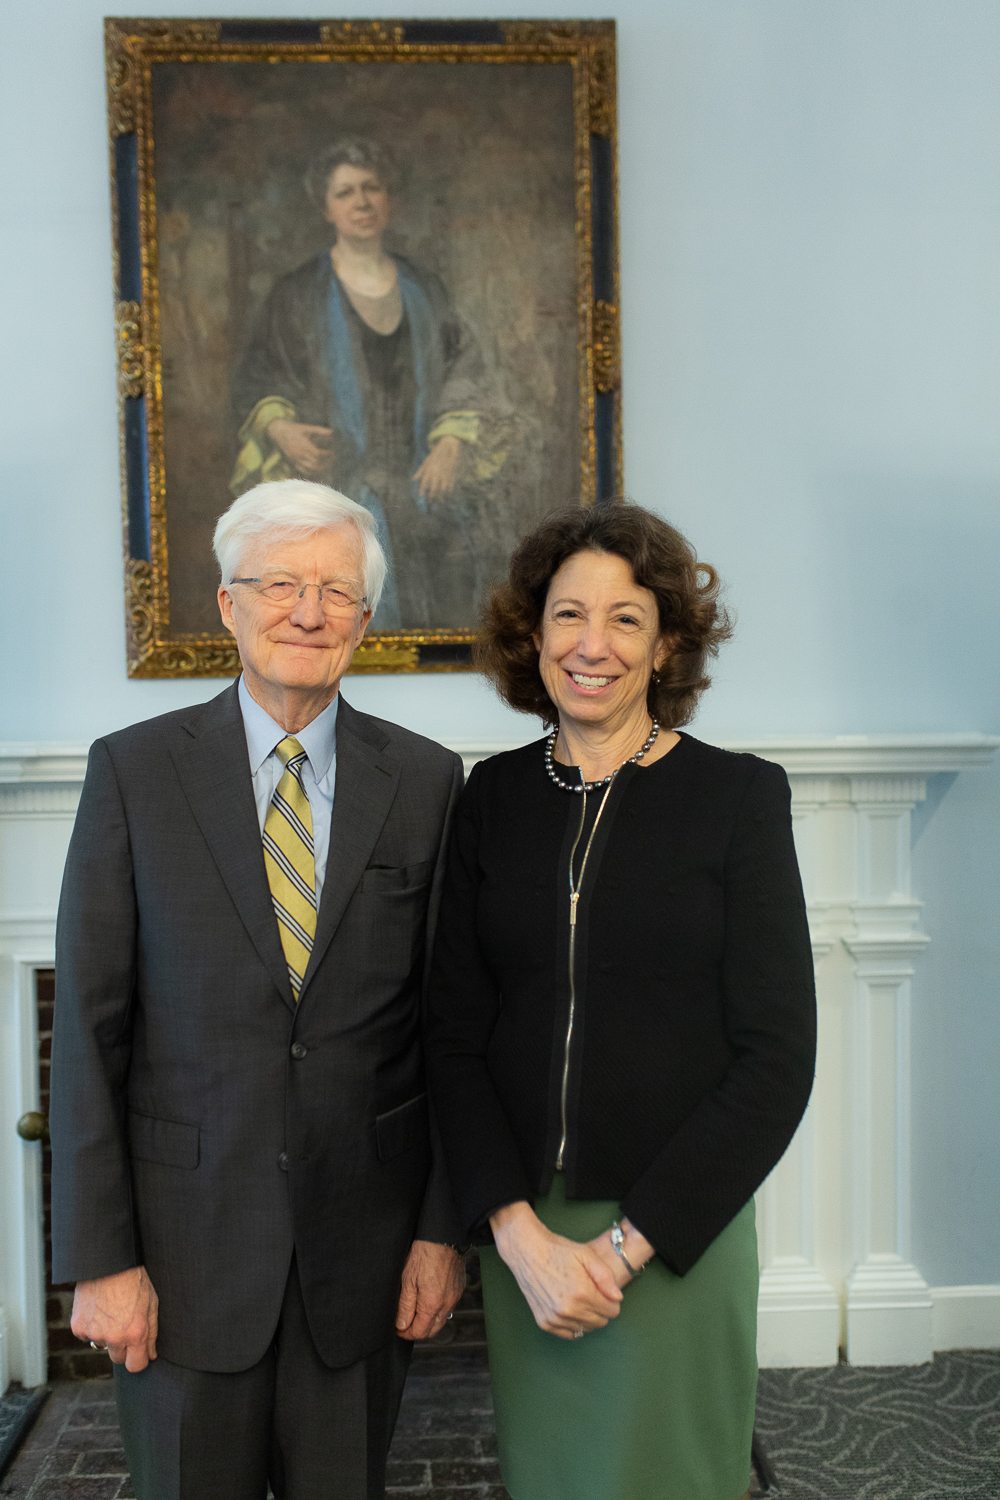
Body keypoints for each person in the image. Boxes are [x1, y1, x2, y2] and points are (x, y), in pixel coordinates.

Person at [50, 479, 467, 1500]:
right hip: (181, 1263)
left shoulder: (425, 781)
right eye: (279, 584)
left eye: (335, 591)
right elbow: (91, 1027)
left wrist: (439, 1229)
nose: (308, 612)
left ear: (365, 622)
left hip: (361, 1263)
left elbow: (449, 1030)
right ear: (228, 604)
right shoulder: (135, 774)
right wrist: (100, 1260)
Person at [425, 502, 817, 1500]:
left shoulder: (737, 800)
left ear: (667, 645)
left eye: (626, 618)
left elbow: (775, 1057)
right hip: (532, 1244)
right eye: (566, 615)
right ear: (533, 635)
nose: (590, 644)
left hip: (673, 1229)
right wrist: (517, 1238)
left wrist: (620, 1248)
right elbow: (452, 1036)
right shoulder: (489, 800)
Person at [230, 136, 507, 629]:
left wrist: (450, 443)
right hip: (334, 484)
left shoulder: (425, 289)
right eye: (345, 192)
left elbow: (466, 366)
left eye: (371, 188)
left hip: (426, 483)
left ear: (389, 200)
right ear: (326, 208)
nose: (361, 201)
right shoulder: (297, 294)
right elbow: (259, 374)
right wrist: (281, 430)